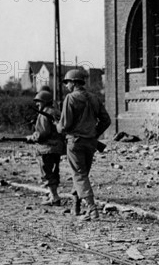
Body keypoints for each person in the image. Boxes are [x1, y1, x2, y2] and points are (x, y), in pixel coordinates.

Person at [57, 69, 111, 221]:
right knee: (82, 175)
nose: (67, 85)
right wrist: (94, 134)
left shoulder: (71, 98)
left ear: (74, 82)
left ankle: (92, 209)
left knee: (79, 175)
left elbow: (65, 125)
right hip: (90, 143)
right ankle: (76, 206)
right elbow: (106, 120)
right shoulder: (94, 98)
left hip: (75, 142)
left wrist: (57, 126)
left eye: (67, 82)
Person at [26, 90, 65, 206]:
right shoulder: (56, 111)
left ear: (45, 102)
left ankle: (54, 197)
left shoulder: (45, 113)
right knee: (54, 171)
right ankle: (53, 195)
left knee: (47, 173)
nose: (37, 104)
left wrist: (32, 137)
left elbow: (43, 132)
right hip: (57, 148)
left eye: (39, 101)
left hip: (46, 148)